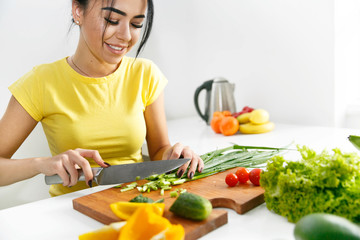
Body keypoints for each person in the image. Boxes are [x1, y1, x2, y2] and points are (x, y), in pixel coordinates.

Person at [0, 0, 204, 196]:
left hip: (136, 203)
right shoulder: (41, 82)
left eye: (136, 24)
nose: (125, 36)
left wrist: (176, 155)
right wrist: (40, 164)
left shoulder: (145, 74)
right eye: (112, 20)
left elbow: (159, 150)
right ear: (78, 11)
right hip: (70, 212)